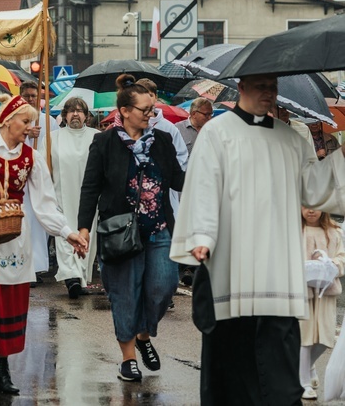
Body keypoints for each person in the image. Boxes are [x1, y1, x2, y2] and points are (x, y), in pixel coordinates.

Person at [170, 74, 345, 405]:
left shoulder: (291, 139)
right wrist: (202, 236)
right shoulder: (216, 134)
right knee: (232, 364)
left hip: (276, 267)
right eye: (262, 85)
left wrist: (342, 158)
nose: (270, 92)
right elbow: (203, 186)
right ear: (242, 88)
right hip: (230, 266)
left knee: (278, 362)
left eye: (273, 86)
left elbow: (315, 187)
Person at [0, 93, 88, 395]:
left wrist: (69, 233)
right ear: (8, 120)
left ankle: (2, 368)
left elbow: (46, 205)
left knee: (9, 306)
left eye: (31, 123)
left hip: (15, 239)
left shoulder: (32, 158)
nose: (29, 128)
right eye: (25, 121)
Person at [78, 74, 185, 382]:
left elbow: (177, 180)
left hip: (159, 227)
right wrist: (83, 227)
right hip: (120, 230)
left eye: (152, 110)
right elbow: (91, 187)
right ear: (125, 110)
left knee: (163, 287)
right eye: (144, 110)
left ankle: (143, 334)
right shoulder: (104, 142)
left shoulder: (161, 140)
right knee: (125, 294)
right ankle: (128, 359)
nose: (150, 116)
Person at [39, 97, 99, 298]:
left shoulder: (96, 136)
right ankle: (71, 277)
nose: (75, 114)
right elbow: (42, 168)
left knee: (86, 234)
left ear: (86, 116)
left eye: (80, 111)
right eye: (71, 111)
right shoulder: (52, 138)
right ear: (64, 116)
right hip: (61, 194)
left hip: (89, 197)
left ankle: (81, 276)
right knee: (64, 233)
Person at [299, 206, 345, 401]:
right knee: (304, 337)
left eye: (316, 207)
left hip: (326, 292)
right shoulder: (296, 231)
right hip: (303, 293)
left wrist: (331, 264)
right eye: (306, 207)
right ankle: (303, 382)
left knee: (323, 339)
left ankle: (309, 365)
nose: (311, 211)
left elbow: (342, 258)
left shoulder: (334, 232)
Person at [19, 80, 60, 277]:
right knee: (24, 222)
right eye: (26, 96)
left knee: (39, 221)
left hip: (40, 177)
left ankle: (38, 266)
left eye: (34, 96)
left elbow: (54, 148)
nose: (31, 99)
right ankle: (24, 266)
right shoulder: (16, 119)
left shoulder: (48, 121)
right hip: (21, 179)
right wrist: (27, 135)